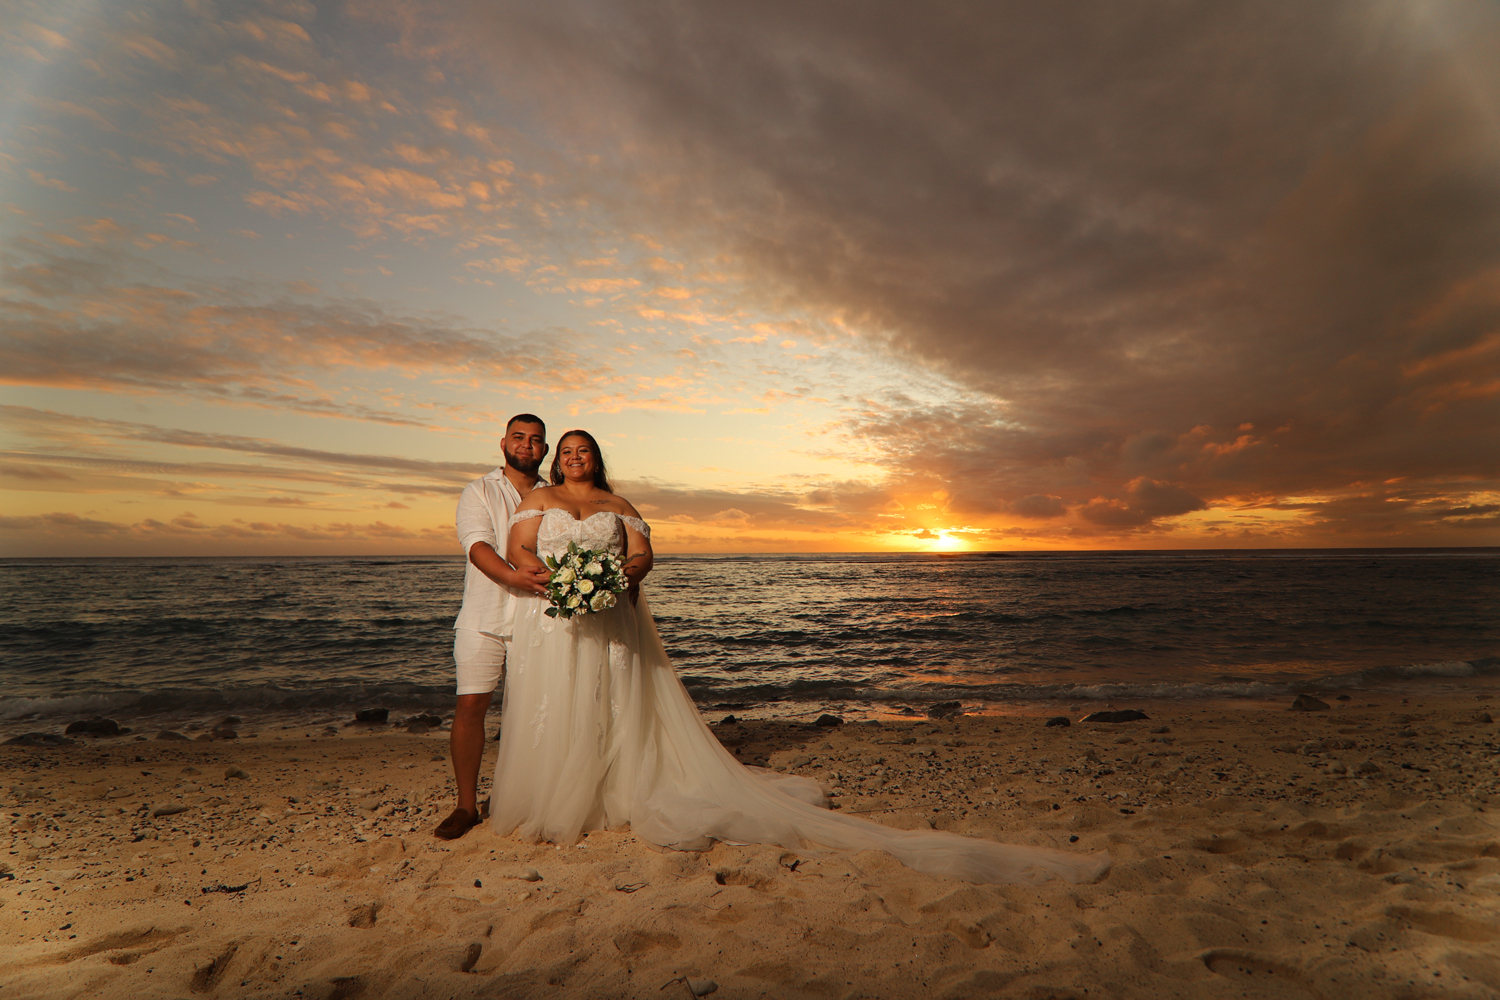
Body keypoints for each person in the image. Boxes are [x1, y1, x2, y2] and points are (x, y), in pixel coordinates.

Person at [490, 430, 1110, 885]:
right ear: (556, 460)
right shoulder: (538, 501)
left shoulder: (619, 506)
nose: (574, 458)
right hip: (559, 621)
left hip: (613, 617)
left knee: (616, 701)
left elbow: (643, 555)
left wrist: (620, 577)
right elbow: (520, 550)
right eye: (566, 451)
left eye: (583, 451)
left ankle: (614, 788)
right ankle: (564, 790)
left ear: (596, 457)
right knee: (563, 698)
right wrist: (551, 580)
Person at [437, 413, 551, 840]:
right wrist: (513, 577)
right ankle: (466, 805)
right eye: (518, 437)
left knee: (535, 712)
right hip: (482, 616)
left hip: (537, 618)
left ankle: (525, 797)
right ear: (503, 443)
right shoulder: (479, 490)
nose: (526, 445)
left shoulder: (553, 495)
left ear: (544, 449)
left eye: (535, 440)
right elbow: (477, 546)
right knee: (471, 706)